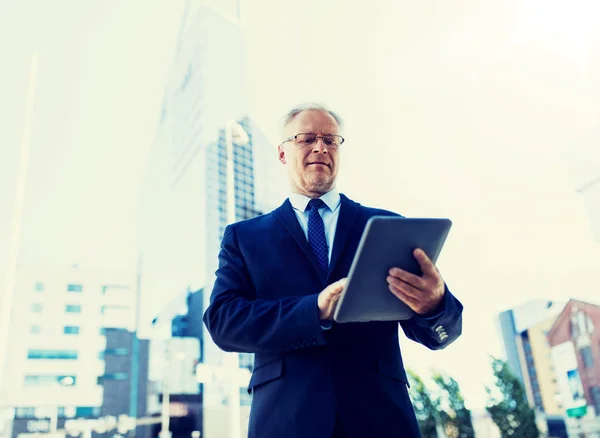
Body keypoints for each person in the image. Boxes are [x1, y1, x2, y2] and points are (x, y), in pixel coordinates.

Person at [203, 103, 463, 438]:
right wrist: (313, 310)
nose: (320, 147)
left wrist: (434, 305)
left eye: (330, 139)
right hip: (285, 421)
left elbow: (441, 332)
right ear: (282, 154)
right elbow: (224, 322)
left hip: (380, 419)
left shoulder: (387, 226)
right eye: (306, 138)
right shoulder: (244, 237)